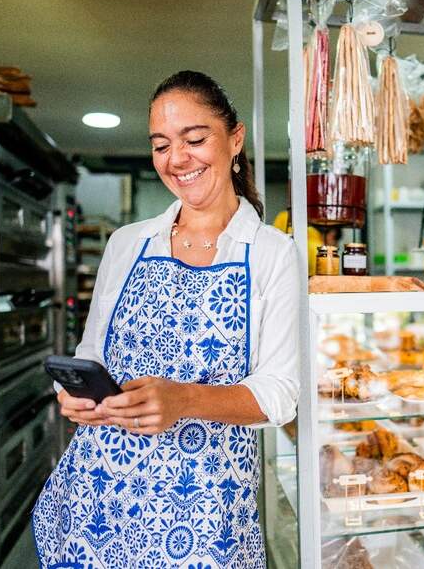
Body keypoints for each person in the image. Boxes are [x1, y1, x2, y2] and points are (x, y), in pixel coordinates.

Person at [32, 71, 300, 568]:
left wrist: (183, 399)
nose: (177, 159)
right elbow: (92, 353)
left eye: (194, 139)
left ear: (234, 139)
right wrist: (74, 393)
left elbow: (280, 394)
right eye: (160, 146)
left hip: (205, 515)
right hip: (99, 500)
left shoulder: (273, 253)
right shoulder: (127, 243)